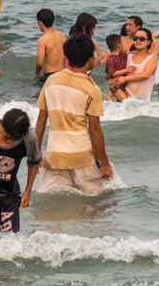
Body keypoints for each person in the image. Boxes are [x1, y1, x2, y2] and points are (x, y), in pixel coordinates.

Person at [36, 35, 114, 195]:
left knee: (51, 204)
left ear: (68, 57)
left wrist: (36, 150)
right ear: (90, 58)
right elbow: (95, 129)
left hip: (54, 156)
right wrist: (105, 163)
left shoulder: (51, 81)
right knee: (97, 203)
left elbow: (41, 118)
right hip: (81, 157)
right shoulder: (91, 88)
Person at [112, 28, 158, 101]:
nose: (138, 41)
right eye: (136, 38)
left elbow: (146, 74)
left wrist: (125, 78)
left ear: (148, 42)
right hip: (125, 99)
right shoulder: (128, 57)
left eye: (142, 39)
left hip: (142, 103)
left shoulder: (152, 58)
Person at [35, 8, 66, 84]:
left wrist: (37, 73)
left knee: (34, 94)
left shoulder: (42, 40)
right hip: (62, 75)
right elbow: (66, 57)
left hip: (50, 77)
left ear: (40, 23)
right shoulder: (62, 36)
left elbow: (39, 63)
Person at [104, 34, 133, 102]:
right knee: (124, 101)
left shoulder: (121, 55)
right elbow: (112, 73)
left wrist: (136, 52)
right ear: (119, 46)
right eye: (122, 43)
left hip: (121, 83)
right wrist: (126, 70)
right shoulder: (110, 59)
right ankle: (111, 106)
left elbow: (128, 53)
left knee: (120, 101)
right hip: (116, 83)